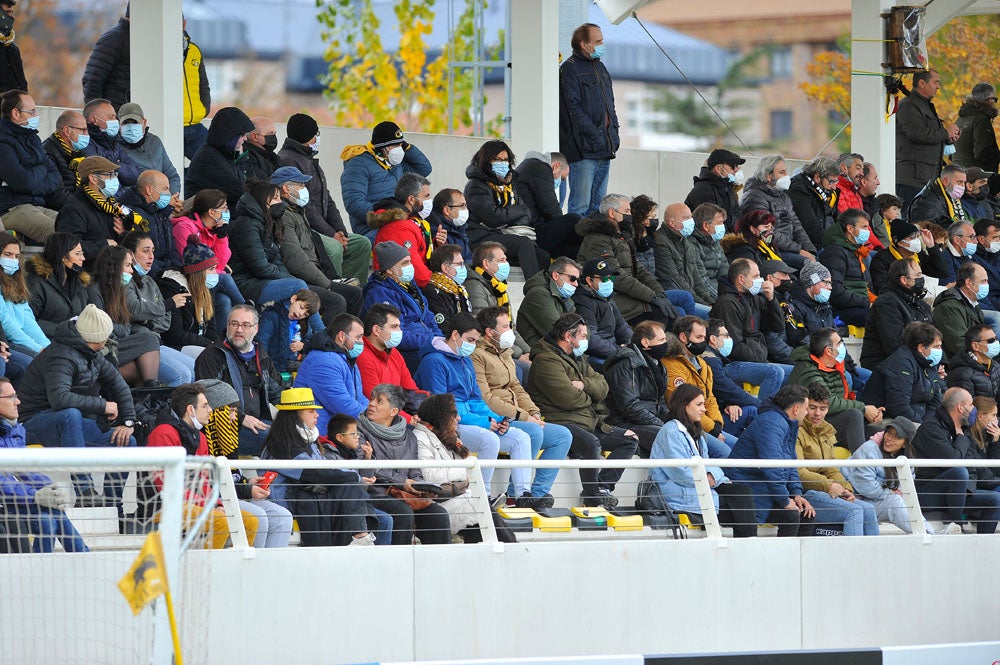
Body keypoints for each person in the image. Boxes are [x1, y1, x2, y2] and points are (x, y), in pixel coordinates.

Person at [19, 305, 136, 511]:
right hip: (34, 422)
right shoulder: (61, 355)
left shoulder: (93, 353)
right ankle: (84, 491)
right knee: (70, 415)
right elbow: (60, 399)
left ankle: (111, 507)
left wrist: (127, 422)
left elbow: (120, 386)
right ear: (98, 338)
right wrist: (103, 405)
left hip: (66, 424)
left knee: (126, 441)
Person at [413, 312, 533, 503]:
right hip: (447, 425)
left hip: (472, 420)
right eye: (469, 339)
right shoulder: (433, 362)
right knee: (489, 440)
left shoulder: (465, 361)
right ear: (454, 335)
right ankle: (482, 496)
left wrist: (498, 419)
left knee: (521, 438)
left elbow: (477, 399)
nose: (472, 345)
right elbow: (439, 408)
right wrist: (483, 422)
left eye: (476, 341)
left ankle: (523, 495)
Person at [525, 313, 639, 508]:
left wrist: (582, 384)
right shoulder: (546, 361)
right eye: (583, 336)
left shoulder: (578, 358)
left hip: (588, 421)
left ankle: (602, 486)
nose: (587, 341)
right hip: (560, 421)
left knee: (630, 439)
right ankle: (592, 495)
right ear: (569, 337)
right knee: (590, 443)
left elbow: (603, 387)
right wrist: (590, 394)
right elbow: (568, 399)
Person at [146, 383, 272, 549]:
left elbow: (205, 480)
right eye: (205, 406)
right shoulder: (163, 433)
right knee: (220, 522)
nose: (210, 410)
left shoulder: (200, 437)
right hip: (163, 507)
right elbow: (166, 484)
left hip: (193, 504)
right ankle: (211, 571)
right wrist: (208, 506)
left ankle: (236, 570)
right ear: (190, 410)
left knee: (250, 521)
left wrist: (216, 504)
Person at [471, 306, 572, 508]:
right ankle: (514, 494)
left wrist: (534, 412)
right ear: (490, 332)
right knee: (534, 431)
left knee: (562, 435)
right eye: (505, 326)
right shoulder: (477, 356)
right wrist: (524, 416)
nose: (510, 331)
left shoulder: (505, 353)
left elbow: (517, 387)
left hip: (518, 415)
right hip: (497, 418)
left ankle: (537, 493)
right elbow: (486, 398)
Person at [262, 387, 376, 547]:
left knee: (380, 514)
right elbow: (314, 473)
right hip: (291, 502)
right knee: (350, 487)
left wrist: (353, 477)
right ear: (295, 415)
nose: (317, 415)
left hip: (310, 496)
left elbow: (324, 469)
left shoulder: (306, 438)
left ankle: (360, 537)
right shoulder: (282, 444)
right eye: (310, 411)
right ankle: (360, 538)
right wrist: (355, 477)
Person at [650, 384, 757, 537]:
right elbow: (681, 474)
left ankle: (747, 543)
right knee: (738, 505)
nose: (704, 409)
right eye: (699, 404)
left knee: (742, 492)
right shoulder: (671, 431)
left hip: (697, 487)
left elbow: (707, 465)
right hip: (678, 494)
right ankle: (747, 546)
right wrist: (708, 478)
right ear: (684, 405)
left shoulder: (696, 432)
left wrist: (716, 478)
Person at [278, 113, 372, 285]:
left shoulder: (309, 159)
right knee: (334, 249)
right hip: (309, 229)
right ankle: (335, 289)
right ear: (307, 137)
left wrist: (341, 231)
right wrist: (332, 234)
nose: (317, 138)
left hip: (327, 229)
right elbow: (307, 207)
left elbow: (326, 199)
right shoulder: (287, 160)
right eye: (316, 133)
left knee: (362, 244)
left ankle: (355, 290)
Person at [356, 383, 451, 545]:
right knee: (403, 512)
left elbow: (414, 472)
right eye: (372, 399)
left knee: (438, 514)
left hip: (404, 493)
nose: (371, 404)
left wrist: (421, 487)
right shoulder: (359, 431)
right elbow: (368, 466)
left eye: (379, 401)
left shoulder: (409, 436)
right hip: (375, 492)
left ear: (393, 411)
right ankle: (399, 565)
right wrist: (402, 483)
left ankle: (439, 565)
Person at [0, 377, 87, 553]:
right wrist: (36, 495)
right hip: (5, 504)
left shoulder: (15, 430)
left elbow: (25, 470)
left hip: (11, 501)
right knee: (47, 520)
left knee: (48, 519)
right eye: (11, 397)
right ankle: (84, 557)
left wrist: (49, 487)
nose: (18, 401)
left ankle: (44, 567)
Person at [271, 166, 361, 322]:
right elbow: (294, 258)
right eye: (301, 185)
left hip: (313, 274)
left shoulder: (297, 211)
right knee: (337, 300)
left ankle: (351, 337)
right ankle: (329, 342)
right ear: (286, 188)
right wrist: (325, 282)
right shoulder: (284, 215)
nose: (305, 189)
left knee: (356, 293)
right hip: (299, 278)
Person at [727, 385, 817, 537]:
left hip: (764, 490)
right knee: (792, 516)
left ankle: (795, 560)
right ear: (796, 409)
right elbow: (772, 467)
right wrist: (785, 500)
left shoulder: (788, 423)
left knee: (807, 514)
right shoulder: (772, 423)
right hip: (749, 490)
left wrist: (796, 494)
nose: (807, 412)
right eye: (807, 408)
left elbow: (790, 462)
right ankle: (783, 560)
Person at [194, 304, 284, 456]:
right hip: (226, 428)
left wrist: (296, 413)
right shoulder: (212, 355)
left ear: (256, 329)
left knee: (297, 434)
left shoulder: (261, 354)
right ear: (227, 326)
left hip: (258, 422)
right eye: (234, 324)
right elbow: (205, 396)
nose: (239, 330)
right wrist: (241, 418)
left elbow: (276, 391)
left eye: (245, 325)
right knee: (280, 441)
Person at [577, 193, 679, 326]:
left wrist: (660, 294)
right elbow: (615, 277)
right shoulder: (598, 240)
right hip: (612, 298)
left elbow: (640, 271)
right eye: (626, 211)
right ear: (612, 213)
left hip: (630, 294)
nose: (630, 215)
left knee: (675, 311)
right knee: (664, 315)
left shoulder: (621, 237)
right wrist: (652, 297)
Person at [910, 387, 1000, 534]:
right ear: (960, 407)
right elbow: (953, 461)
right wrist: (961, 438)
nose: (974, 410)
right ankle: (957, 525)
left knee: (996, 499)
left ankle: (982, 545)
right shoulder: (932, 428)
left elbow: (971, 467)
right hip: (928, 493)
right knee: (959, 472)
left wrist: (968, 489)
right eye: (971, 405)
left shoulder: (961, 430)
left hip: (956, 493)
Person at [795, 383, 879, 536]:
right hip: (805, 493)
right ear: (804, 406)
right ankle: (851, 559)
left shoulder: (826, 430)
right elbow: (799, 473)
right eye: (812, 408)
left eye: (823, 409)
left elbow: (831, 468)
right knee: (854, 511)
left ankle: (871, 559)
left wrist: (845, 488)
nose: (817, 414)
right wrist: (829, 486)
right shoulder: (797, 431)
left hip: (824, 489)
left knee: (868, 509)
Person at [228, 180, 315, 321]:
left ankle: (296, 336)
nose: (280, 202)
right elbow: (260, 267)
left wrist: (288, 278)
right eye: (276, 198)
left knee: (300, 293)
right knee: (300, 287)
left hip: (261, 281)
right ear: (263, 201)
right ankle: (319, 334)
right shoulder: (247, 225)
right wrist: (291, 280)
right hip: (245, 283)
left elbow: (276, 259)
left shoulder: (265, 222)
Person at [465, 139, 550, 278]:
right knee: (524, 243)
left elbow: (527, 212)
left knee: (543, 257)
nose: (502, 163)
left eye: (505, 160)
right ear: (486, 160)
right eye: (497, 159)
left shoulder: (510, 184)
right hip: (481, 236)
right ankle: (534, 290)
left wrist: (511, 215)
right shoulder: (476, 185)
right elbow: (493, 218)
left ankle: (543, 293)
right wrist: (517, 212)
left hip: (502, 233)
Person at [559, 22, 619, 217]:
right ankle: (577, 247)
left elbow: (610, 104)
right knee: (580, 207)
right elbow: (573, 108)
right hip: (584, 149)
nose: (602, 44)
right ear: (584, 44)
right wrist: (594, 134)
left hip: (604, 147)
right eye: (598, 41)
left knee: (599, 208)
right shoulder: (569, 68)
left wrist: (614, 133)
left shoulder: (600, 67)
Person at [413, 393, 492, 542]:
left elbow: (466, 469)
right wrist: (464, 471)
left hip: (460, 497)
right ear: (440, 416)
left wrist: (462, 473)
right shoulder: (419, 438)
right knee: (484, 520)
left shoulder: (449, 437)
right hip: (441, 502)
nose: (459, 418)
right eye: (454, 414)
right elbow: (431, 476)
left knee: (488, 517)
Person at [788, 327, 879, 452]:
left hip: (830, 420)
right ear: (829, 351)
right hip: (810, 423)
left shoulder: (835, 366)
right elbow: (828, 402)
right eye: (840, 343)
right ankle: (862, 468)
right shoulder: (808, 369)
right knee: (854, 415)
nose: (843, 346)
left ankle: (888, 471)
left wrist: (871, 412)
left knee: (881, 433)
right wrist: (863, 408)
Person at [122, 231, 196, 384]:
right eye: (145, 251)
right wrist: (163, 307)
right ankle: (168, 409)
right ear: (131, 254)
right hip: (141, 346)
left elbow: (166, 320)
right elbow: (135, 310)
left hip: (158, 342)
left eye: (153, 251)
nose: (151, 256)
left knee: (197, 370)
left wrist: (147, 320)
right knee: (181, 376)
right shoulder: (125, 282)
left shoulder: (150, 281)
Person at [709, 258, 789, 398]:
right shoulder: (727, 303)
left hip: (756, 358)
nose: (761, 280)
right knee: (776, 373)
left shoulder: (753, 297)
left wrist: (771, 300)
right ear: (741, 279)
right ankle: (764, 413)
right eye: (756, 276)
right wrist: (761, 358)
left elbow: (777, 327)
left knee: (796, 374)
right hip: (734, 363)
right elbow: (735, 346)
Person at [340, 120, 433, 240]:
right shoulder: (358, 164)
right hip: (371, 228)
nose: (399, 149)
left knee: (429, 234)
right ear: (381, 147)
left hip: (399, 220)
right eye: (394, 145)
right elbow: (354, 203)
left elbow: (424, 169)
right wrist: (387, 215)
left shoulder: (395, 163)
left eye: (400, 145)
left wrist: (407, 147)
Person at [86, 245, 163, 387]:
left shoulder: (119, 290)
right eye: (127, 265)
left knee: (149, 343)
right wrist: (116, 329)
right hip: (100, 349)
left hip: (116, 344)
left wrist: (115, 329)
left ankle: (146, 404)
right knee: (148, 344)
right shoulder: (94, 289)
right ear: (113, 267)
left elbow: (126, 327)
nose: (131, 271)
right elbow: (100, 329)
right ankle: (151, 400)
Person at [843, 416, 935, 534]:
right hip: (849, 498)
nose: (889, 439)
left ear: (905, 443)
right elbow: (867, 487)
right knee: (895, 501)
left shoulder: (906, 459)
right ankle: (928, 534)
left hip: (871, 501)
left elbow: (905, 490)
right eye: (888, 433)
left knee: (901, 502)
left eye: (896, 436)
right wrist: (889, 492)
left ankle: (930, 534)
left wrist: (892, 493)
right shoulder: (869, 449)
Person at [661, 316, 737, 455]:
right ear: (683, 337)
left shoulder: (702, 364)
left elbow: (709, 398)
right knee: (725, 452)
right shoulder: (672, 364)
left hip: (704, 423)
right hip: (685, 423)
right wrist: (712, 429)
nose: (703, 341)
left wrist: (716, 423)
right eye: (699, 337)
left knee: (739, 447)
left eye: (704, 337)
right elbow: (683, 405)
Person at [361, 241, 441, 372]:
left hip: (425, 342)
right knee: (437, 362)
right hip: (405, 350)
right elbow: (395, 333)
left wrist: (439, 337)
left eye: (409, 261)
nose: (410, 266)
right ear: (389, 270)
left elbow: (428, 316)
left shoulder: (409, 284)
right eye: (404, 263)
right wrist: (430, 341)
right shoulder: (380, 293)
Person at [171, 188, 243, 328]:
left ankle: (220, 341)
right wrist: (218, 270)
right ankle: (248, 310)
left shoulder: (214, 228)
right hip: (191, 276)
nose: (226, 212)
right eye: (223, 208)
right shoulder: (185, 226)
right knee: (225, 278)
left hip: (208, 276)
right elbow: (193, 262)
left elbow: (220, 264)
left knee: (224, 300)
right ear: (211, 212)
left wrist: (221, 237)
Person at [318, 413, 393, 545]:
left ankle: (379, 560)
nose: (357, 437)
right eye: (353, 434)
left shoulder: (351, 455)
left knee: (386, 520)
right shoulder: (329, 456)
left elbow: (365, 486)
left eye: (357, 433)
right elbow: (340, 484)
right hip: (340, 506)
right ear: (340, 437)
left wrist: (367, 459)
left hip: (357, 504)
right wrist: (360, 480)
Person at [0, 89, 60, 243]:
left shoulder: (33, 138)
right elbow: (23, 182)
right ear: (15, 113)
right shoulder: (3, 142)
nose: (36, 116)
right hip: (11, 209)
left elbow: (56, 177)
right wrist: (41, 168)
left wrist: (33, 183)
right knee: (59, 233)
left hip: (36, 203)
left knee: (75, 223)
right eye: (32, 112)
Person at [602, 320, 671, 456]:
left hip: (648, 421)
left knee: (690, 432)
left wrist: (671, 421)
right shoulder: (626, 364)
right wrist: (660, 423)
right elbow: (629, 406)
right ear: (645, 342)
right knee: (670, 436)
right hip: (623, 423)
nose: (665, 344)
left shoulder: (657, 364)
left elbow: (660, 401)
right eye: (661, 339)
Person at [54, 155, 140, 262]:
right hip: (88, 274)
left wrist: (124, 234)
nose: (115, 179)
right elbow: (69, 247)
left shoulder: (112, 207)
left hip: (111, 272)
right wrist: (104, 246)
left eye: (115, 174)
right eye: (110, 175)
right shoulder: (73, 210)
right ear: (93, 179)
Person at [895, 69, 961, 208]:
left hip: (926, 177)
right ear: (922, 83)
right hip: (912, 179)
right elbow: (915, 133)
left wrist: (948, 138)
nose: (938, 86)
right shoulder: (909, 105)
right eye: (935, 82)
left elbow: (928, 135)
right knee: (914, 223)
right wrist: (944, 133)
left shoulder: (923, 105)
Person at [294, 313, 368, 435]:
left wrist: (376, 411)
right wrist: (377, 418)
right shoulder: (323, 361)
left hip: (340, 432)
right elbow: (343, 404)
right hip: (322, 436)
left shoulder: (346, 358)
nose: (361, 342)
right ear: (341, 336)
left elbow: (358, 397)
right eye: (358, 337)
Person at [738, 154, 816, 270]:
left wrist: (809, 249)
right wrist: (799, 250)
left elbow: (796, 225)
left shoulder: (783, 195)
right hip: (770, 250)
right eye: (782, 172)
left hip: (788, 248)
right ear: (768, 176)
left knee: (816, 258)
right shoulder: (754, 197)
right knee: (809, 264)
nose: (786, 176)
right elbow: (766, 233)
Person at [355, 303, 428, 420]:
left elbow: (411, 391)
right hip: (382, 421)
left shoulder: (394, 353)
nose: (399, 331)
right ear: (376, 330)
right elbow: (376, 401)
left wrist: (423, 413)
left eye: (399, 326)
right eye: (394, 327)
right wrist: (410, 419)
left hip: (399, 415)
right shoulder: (363, 357)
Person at [861, 321, 945, 423]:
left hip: (918, 420)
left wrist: (928, 425)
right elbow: (899, 407)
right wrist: (923, 429)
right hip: (888, 420)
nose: (940, 350)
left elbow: (935, 401)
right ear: (921, 347)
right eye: (936, 346)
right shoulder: (901, 363)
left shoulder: (929, 363)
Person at [862, 258, 933, 369]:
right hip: (886, 365)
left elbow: (934, 338)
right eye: (918, 275)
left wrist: (937, 365)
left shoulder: (922, 305)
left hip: (916, 363)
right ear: (904, 280)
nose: (921, 279)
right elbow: (894, 344)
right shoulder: (886, 303)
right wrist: (923, 362)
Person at [464, 241, 530, 362]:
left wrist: (529, 352)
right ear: (486, 264)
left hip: (503, 347)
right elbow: (485, 329)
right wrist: (519, 355)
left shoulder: (500, 288)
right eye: (502, 260)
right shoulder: (474, 286)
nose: (507, 264)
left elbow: (511, 329)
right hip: (486, 348)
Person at [157, 235, 220, 357]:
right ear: (198, 272)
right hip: (178, 347)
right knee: (213, 357)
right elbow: (175, 335)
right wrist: (209, 343)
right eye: (211, 269)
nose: (215, 274)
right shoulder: (173, 289)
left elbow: (211, 327)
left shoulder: (207, 289)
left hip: (202, 344)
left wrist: (214, 342)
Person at [184, 106, 255, 211]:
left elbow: (253, 181)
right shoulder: (208, 159)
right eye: (242, 135)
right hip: (209, 217)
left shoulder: (226, 153)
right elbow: (239, 192)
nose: (245, 138)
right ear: (230, 136)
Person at [702, 318, 761, 439]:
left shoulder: (715, 358)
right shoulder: (710, 360)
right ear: (713, 339)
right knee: (752, 410)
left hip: (717, 412)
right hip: (711, 425)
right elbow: (726, 389)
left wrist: (730, 402)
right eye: (726, 336)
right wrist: (763, 405)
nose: (730, 339)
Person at [514, 150, 581, 257]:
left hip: (532, 227)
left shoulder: (529, 166)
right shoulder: (540, 168)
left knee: (575, 250)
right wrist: (564, 229)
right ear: (556, 166)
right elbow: (550, 208)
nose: (561, 182)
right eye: (562, 178)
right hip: (534, 230)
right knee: (573, 219)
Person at [117, 170, 181, 277]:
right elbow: (142, 256)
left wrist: (178, 271)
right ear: (149, 189)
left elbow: (172, 250)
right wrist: (164, 277)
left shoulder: (160, 212)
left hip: (167, 272)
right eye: (165, 189)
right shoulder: (132, 214)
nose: (169, 194)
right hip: (151, 276)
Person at [25, 231, 89, 337]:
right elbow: (28, 322)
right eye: (77, 254)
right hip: (46, 343)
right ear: (63, 257)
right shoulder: (36, 283)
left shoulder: (77, 282)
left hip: (72, 341)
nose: (83, 258)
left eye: (82, 254)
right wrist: (64, 329)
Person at [653, 202, 714, 314]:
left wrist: (709, 301)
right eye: (686, 218)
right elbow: (674, 279)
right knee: (709, 314)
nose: (691, 221)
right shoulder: (660, 242)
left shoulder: (686, 241)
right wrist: (702, 303)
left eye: (691, 217)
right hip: (678, 298)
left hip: (691, 297)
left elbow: (696, 277)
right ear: (672, 222)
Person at [817, 208, 874, 327]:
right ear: (850, 229)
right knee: (885, 315)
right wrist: (867, 302)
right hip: (839, 311)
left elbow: (868, 287)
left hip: (858, 306)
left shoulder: (857, 252)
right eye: (864, 227)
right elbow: (835, 292)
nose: (867, 231)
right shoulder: (834, 253)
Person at [571, 257, 631, 363]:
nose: (608, 282)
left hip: (612, 348)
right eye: (604, 279)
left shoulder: (607, 297)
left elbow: (622, 326)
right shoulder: (582, 302)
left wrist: (634, 344)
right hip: (594, 355)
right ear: (589, 280)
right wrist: (618, 351)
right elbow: (590, 338)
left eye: (611, 278)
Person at [868, 219, 947, 296]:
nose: (917, 240)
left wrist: (931, 246)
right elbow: (882, 289)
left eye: (917, 236)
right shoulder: (881, 260)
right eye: (913, 237)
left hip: (917, 298)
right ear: (900, 242)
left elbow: (942, 272)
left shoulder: (917, 255)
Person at [0, 232, 47, 356]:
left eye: (16, 256)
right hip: (6, 340)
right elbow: (6, 324)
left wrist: (47, 346)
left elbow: (28, 321)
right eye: (7, 254)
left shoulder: (17, 281)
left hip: (21, 340)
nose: (13, 260)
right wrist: (37, 349)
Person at [116, 103, 180, 193]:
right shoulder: (115, 147)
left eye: (135, 122)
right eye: (126, 123)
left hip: (165, 199)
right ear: (118, 125)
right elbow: (122, 186)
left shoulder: (155, 141)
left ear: (144, 122)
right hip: (140, 202)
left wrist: (172, 196)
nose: (131, 127)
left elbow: (172, 176)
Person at [517, 256, 579, 349]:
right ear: (555, 275)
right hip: (537, 353)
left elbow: (582, 329)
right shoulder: (539, 294)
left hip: (555, 351)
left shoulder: (566, 298)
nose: (576, 284)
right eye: (573, 278)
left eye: (578, 280)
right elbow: (558, 332)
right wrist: (578, 336)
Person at [932, 262, 988, 358]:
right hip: (959, 363)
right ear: (968, 283)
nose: (987, 285)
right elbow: (958, 345)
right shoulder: (949, 307)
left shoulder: (971, 301)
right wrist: (986, 352)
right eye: (983, 281)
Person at [368, 204, 432, 288]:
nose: (428, 201)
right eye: (426, 196)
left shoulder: (411, 222)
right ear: (411, 199)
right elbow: (417, 269)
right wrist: (432, 283)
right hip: (400, 283)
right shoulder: (399, 227)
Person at [258, 289, 319, 375]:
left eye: (306, 314)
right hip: (274, 368)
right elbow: (261, 345)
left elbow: (311, 344)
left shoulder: (303, 324)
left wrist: (303, 346)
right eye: (301, 307)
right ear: (293, 299)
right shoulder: (272, 315)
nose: (301, 313)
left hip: (292, 366)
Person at [79, 99, 140, 186]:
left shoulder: (114, 142)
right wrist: (118, 164)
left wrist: (114, 165)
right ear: (95, 120)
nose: (116, 121)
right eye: (111, 117)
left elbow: (134, 175)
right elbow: (101, 177)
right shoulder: (85, 143)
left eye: (115, 117)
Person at [787, 156, 840, 249]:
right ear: (817, 177)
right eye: (831, 181)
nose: (834, 187)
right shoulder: (798, 191)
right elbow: (810, 227)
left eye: (836, 181)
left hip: (826, 242)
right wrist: (834, 243)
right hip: (811, 246)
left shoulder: (826, 192)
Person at [81, 6, 129, 107]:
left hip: (129, 116)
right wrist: (100, 116)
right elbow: (92, 81)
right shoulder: (114, 38)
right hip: (116, 116)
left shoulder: (141, 39)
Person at [683, 148, 743, 228]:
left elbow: (739, 218)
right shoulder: (702, 191)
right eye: (733, 166)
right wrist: (733, 222)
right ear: (718, 168)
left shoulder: (729, 189)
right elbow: (714, 221)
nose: (736, 170)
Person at [41, 110, 90, 202]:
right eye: (82, 130)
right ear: (67, 131)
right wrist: (83, 208)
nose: (86, 134)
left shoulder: (78, 151)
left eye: (86, 130)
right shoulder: (47, 152)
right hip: (64, 208)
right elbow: (55, 193)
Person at [953, 82, 999, 173]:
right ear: (989, 100)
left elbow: (952, 151)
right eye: (995, 99)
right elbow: (982, 153)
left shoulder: (960, 119)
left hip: (959, 174)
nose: (995, 103)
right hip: (978, 177)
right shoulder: (981, 119)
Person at [181, 17, 211, 159]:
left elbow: (203, 83)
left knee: (212, 163)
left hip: (196, 125)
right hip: (173, 125)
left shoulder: (194, 50)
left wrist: (205, 109)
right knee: (173, 169)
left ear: (184, 23)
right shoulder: (159, 50)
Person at [946, 323, 1000, 399]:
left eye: (996, 338)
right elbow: (967, 408)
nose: (996, 343)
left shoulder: (995, 365)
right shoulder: (962, 374)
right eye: (991, 340)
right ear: (976, 346)